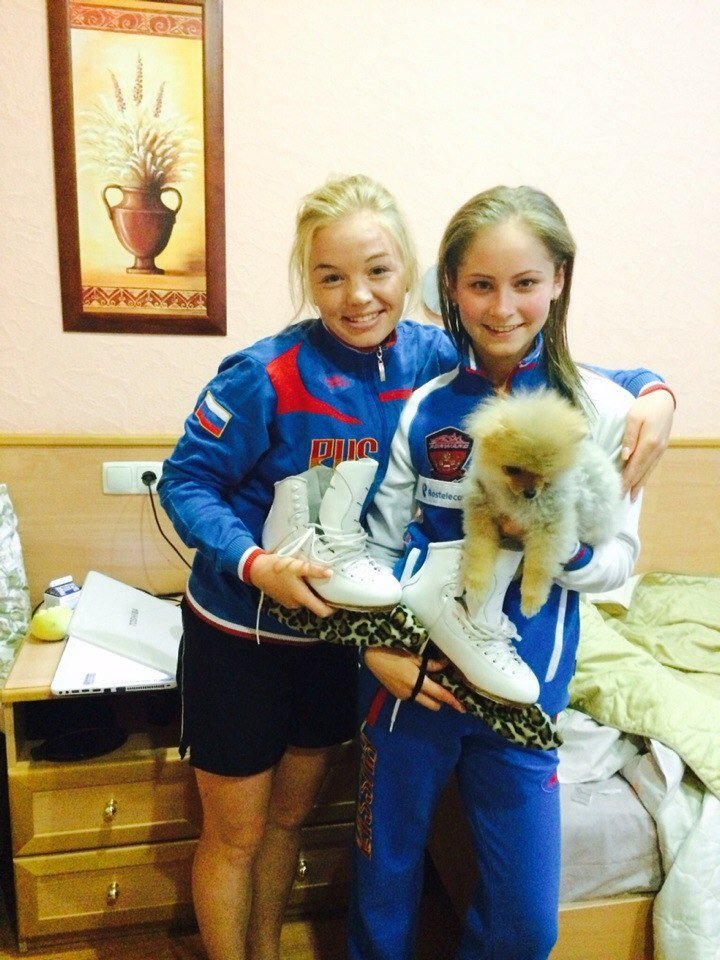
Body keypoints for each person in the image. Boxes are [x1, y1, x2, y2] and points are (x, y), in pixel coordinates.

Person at [157, 175, 674, 960]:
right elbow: (188, 481)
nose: (360, 296)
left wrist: (655, 392)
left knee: (289, 825)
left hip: (344, 642)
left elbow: (558, 365)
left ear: (412, 276)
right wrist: (256, 564)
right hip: (250, 633)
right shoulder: (267, 374)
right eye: (332, 276)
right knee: (238, 835)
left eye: (378, 271)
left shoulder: (436, 355)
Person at [347, 185, 662, 960]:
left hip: (524, 695)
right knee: (382, 889)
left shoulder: (605, 410)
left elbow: (619, 562)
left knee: (526, 926)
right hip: (410, 685)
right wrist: (374, 648)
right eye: (481, 284)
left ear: (559, 279)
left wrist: (559, 548)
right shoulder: (424, 406)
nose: (501, 307)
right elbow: (376, 548)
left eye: (525, 283)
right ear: (451, 287)